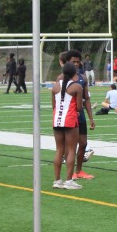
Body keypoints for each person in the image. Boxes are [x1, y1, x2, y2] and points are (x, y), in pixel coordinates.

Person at [63, 50, 96, 179]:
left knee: (83, 143)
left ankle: (79, 171)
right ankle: (70, 173)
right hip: (69, 115)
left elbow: (86, 98)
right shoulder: (62, 78)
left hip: (80, 114)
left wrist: (91, 118)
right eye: (73, 62)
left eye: (78, 61)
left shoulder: (83, 78)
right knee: (70, 145)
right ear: (67, 62)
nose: (76, 64)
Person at [51, 62, 83, 190]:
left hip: (56, 120)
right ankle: (69, 181)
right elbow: (79, 107)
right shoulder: (77, 87)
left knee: (59, 150)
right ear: (74, 74)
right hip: (70, 120)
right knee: (71, 150)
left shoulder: (55, 87)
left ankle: (57, 180)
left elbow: (54, 106)